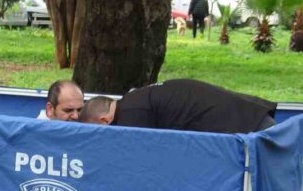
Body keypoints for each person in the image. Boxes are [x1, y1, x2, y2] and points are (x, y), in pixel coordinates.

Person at [78, 79, 277, 133]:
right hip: (254, 117)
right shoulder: (136, 100)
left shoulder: (131, 114)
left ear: (104, 121)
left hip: (254, 132)